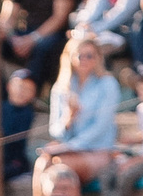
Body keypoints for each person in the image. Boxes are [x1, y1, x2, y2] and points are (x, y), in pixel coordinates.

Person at [46, 32, 122, 185]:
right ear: (70, 57)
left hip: (98, 151)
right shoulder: (61, 87)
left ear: (98, 58)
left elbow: (101, 126)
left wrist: (70, 146)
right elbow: (54, 130)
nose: (85, 60)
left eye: (90, 56)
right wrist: (68, 118)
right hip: (70, 150)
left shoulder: (107, 83)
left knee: (60, 168)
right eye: (80, 56)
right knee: (43, 163)